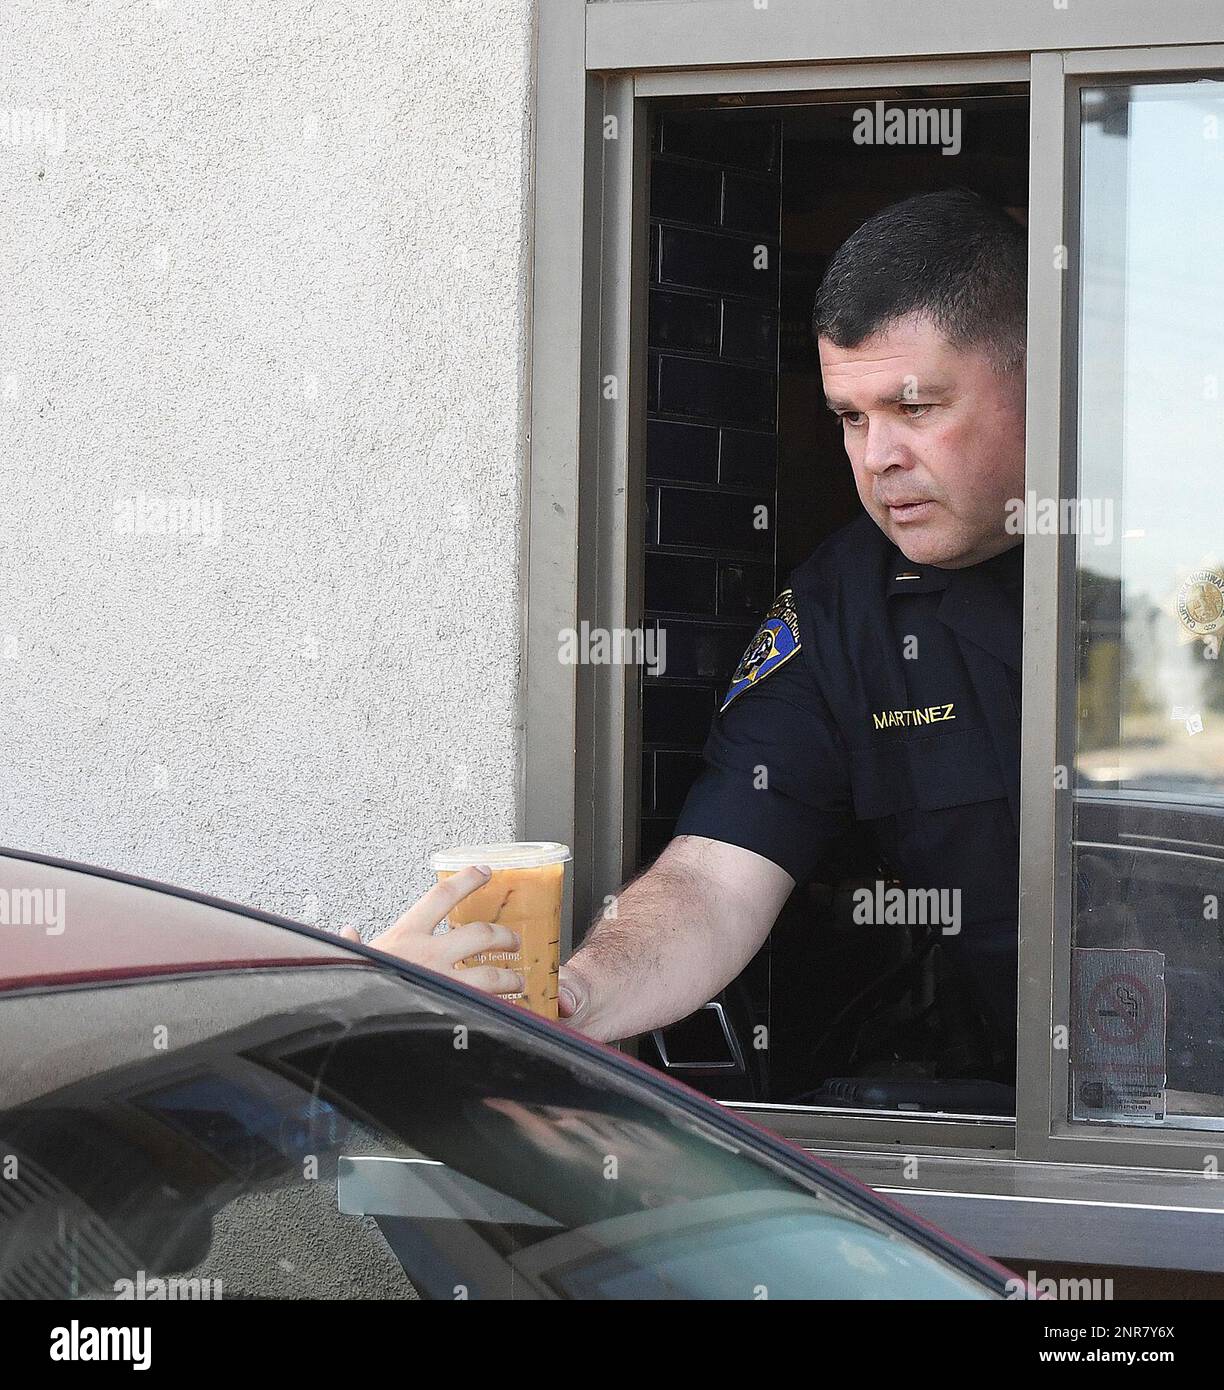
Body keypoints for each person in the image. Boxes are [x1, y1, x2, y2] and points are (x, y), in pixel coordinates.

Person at [360, 188, 1029, 1077]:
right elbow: (716, 877)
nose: (876, 458)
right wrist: (575, 997)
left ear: (1041, 380)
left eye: (916, 409)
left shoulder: (1180, 564)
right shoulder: (842, 607)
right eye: (851, 418)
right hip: (1037, 1114)